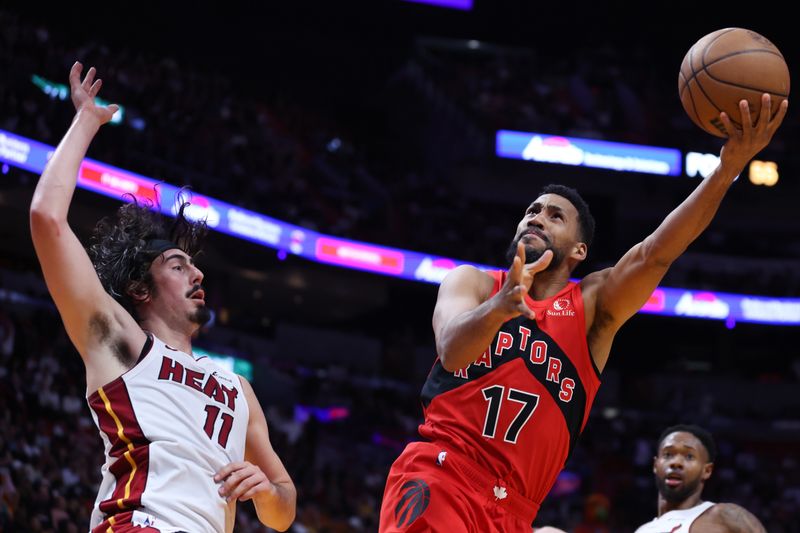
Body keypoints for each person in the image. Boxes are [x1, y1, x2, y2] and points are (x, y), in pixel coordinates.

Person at [379, 93, 788, 532]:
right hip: (441, 475)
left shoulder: (591, 309)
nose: (536, 218)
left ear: (579, 250)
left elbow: (655, 254)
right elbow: (452, 350)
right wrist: (500, 306)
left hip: (515, 512)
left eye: (555, 216)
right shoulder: (474, 284)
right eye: (531, 211)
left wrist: (727, 169)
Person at [29, 63, 296, 533]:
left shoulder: (238, 391)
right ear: (139, 290)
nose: (196, 272)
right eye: (177, 266)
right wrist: (86, 122)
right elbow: (47, 219)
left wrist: (266, 490)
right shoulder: (123, 344)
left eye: (194, 265)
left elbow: (284, 509)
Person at [635, 424, 766, 532]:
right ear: (655, 465)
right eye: (668, 454)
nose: (676, 463)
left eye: (689, 457)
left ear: (707, 471)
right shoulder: (643, 530)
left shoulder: (725, 517)